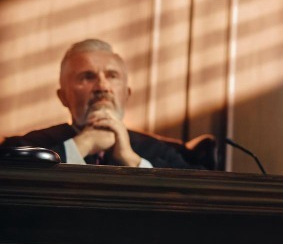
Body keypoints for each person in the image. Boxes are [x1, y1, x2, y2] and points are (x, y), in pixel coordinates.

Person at [1, 39, 199, 169]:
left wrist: (131, 160)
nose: (102, 86)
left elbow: (197, 196)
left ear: (127, 94)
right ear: (63, 97)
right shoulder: (28, 146)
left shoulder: (161, 151)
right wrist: (81, 145)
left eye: (112, 76)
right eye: (87, 77)